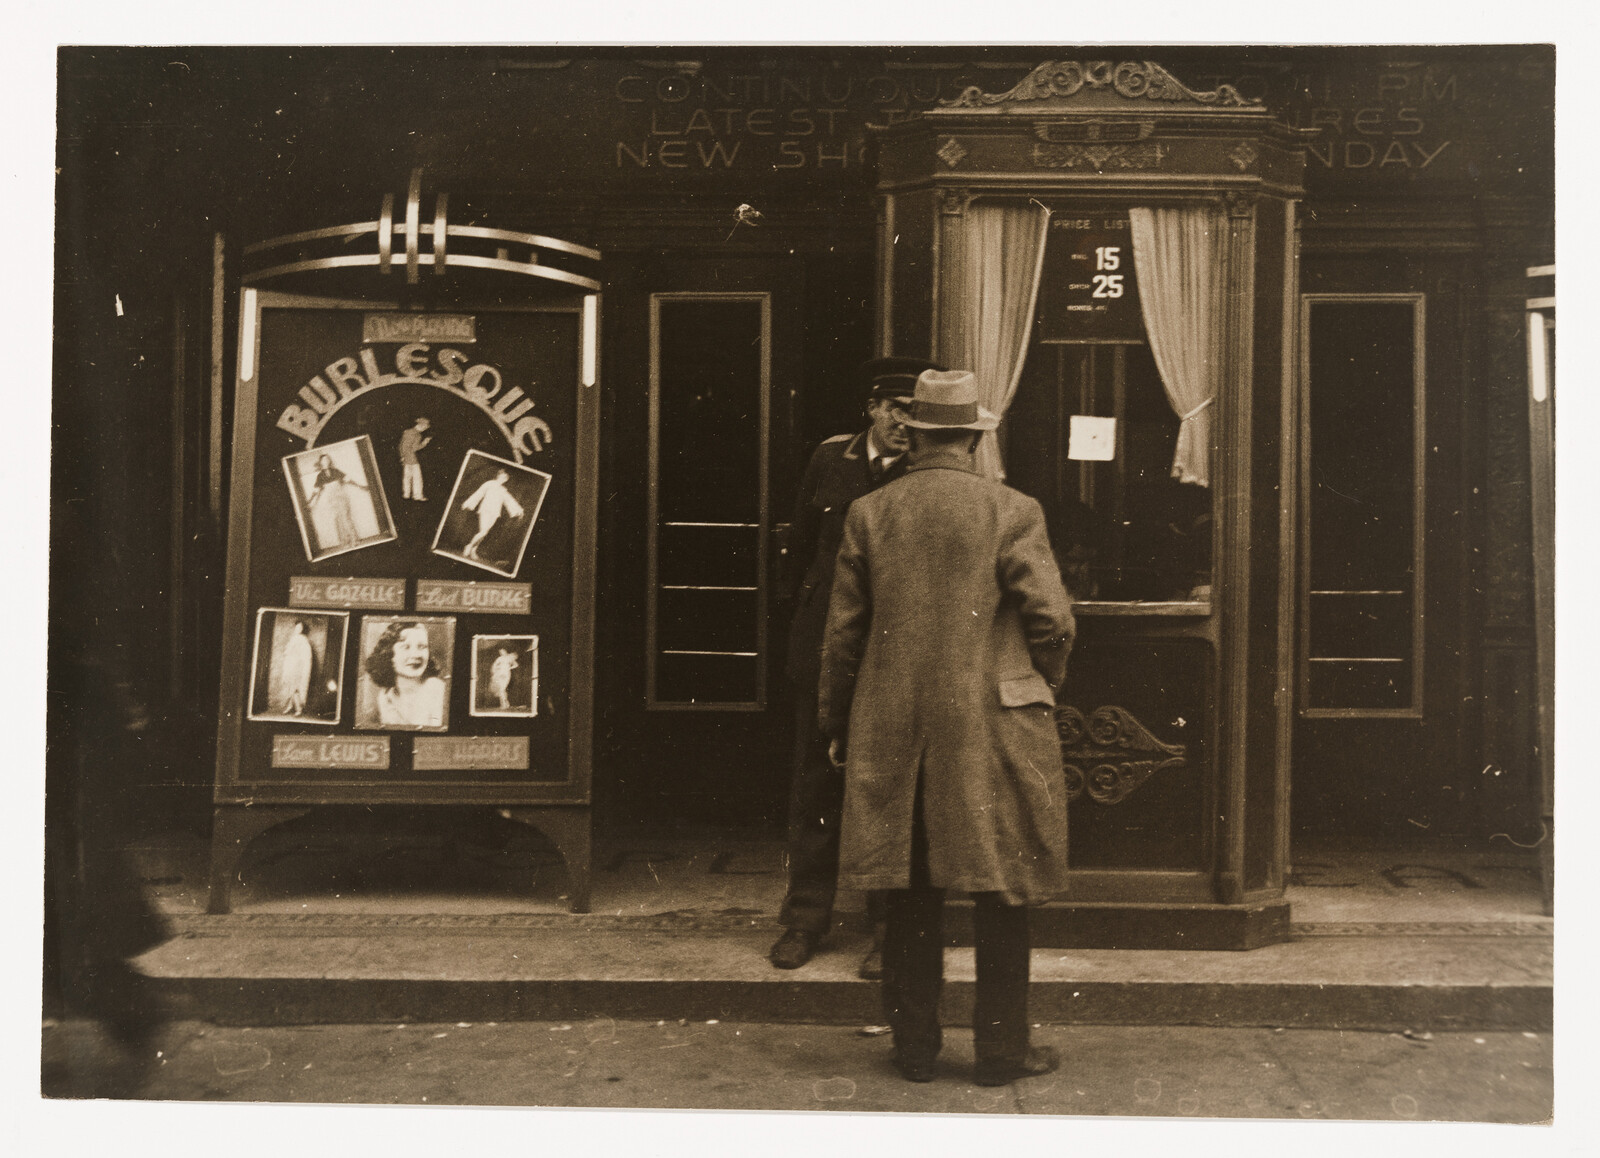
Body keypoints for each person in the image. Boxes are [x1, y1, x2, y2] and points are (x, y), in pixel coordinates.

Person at [818, 368, 1076, 1087]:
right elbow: (1050, 620)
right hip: (992, 726)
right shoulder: (1013, 509)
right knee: (1002, 888)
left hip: (894, 725)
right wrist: (1038, 684)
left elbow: (843, 637)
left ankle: (914, 1050)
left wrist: (837, 722)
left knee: (908, 892)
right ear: (972, 435)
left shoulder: (869, 513)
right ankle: (1000, 1053)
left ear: (918, 433)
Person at [769, 355, 944, 978]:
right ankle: (805, 919)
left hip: (895, 651)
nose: (904, 423)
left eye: (915, 412)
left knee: (891, 790)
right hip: (825, 649)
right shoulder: (830, 460)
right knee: (816, 785)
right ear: (870, 408)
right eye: (894, 410)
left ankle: (887, 929)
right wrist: (798, 640)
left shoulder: (931, 469)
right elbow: (797, 560)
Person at [365, 621, 447, 728]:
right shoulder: (385, 697)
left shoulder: (436, 689)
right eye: (406, 647)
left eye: (422, 647)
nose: (416, 654)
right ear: (389, 654)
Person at [307, 452, 369, 551]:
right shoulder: (320, 476)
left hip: (341, 497)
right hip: (332, 500)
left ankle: (354, 540)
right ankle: (345, 542)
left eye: (327, 459)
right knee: (338, 520)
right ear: (321, 462)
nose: (326, 461)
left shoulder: (335, 471)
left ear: (329, 461)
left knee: (345, 518)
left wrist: (360, 486)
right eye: (324, 460)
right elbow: (316, 491)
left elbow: (348, 480)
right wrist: (310, 501)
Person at [461, 468, 524, 561]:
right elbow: (479, 493)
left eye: (505, 478)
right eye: (502, 476)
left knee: (484, 533)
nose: (503, 478)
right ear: (498, 475)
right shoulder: (489, 484)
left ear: (506, 479)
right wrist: (467, 503)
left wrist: (520, 510)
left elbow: (510, 500)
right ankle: (469, 546)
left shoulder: (503, 490)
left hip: (495, 513)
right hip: (485, 510)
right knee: (483, 531)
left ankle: (474, 550)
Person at [279, 618, 314, 716]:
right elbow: (287, 652)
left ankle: (298, 709)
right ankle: (290, 706)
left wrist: (299, 662)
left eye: (300, 627)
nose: (298, 628)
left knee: (295, 687)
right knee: (290, 686)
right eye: (297, 627)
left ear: (302, 629)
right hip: (291, 665)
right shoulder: (293, 638)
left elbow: (306, 655)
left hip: (298, 666)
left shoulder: (303, 639)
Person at [398, 416, 432, 501]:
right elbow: (415, 448)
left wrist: (402, 456)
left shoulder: (407, 432)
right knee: (417, 478)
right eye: (425, 427)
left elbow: (401, 445)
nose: (424, 429)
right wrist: (425, 442)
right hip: (412, 458)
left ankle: (406, 494)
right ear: (421, 426)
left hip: (405, 458)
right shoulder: (417, 435)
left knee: (407, 477)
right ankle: (417, 496)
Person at [489, 645, 519, 711]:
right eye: (500, 652)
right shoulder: (499, 658)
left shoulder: (509, 658)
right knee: (501, 690)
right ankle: (505, 704)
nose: (501, 653)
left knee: (502, 689)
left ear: (505, 651)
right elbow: (494, 665)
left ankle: (504, 704)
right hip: (499, 674)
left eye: (502, 651)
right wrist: (497, 668)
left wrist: (509, 668)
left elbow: (516, 665)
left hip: (506, 675)